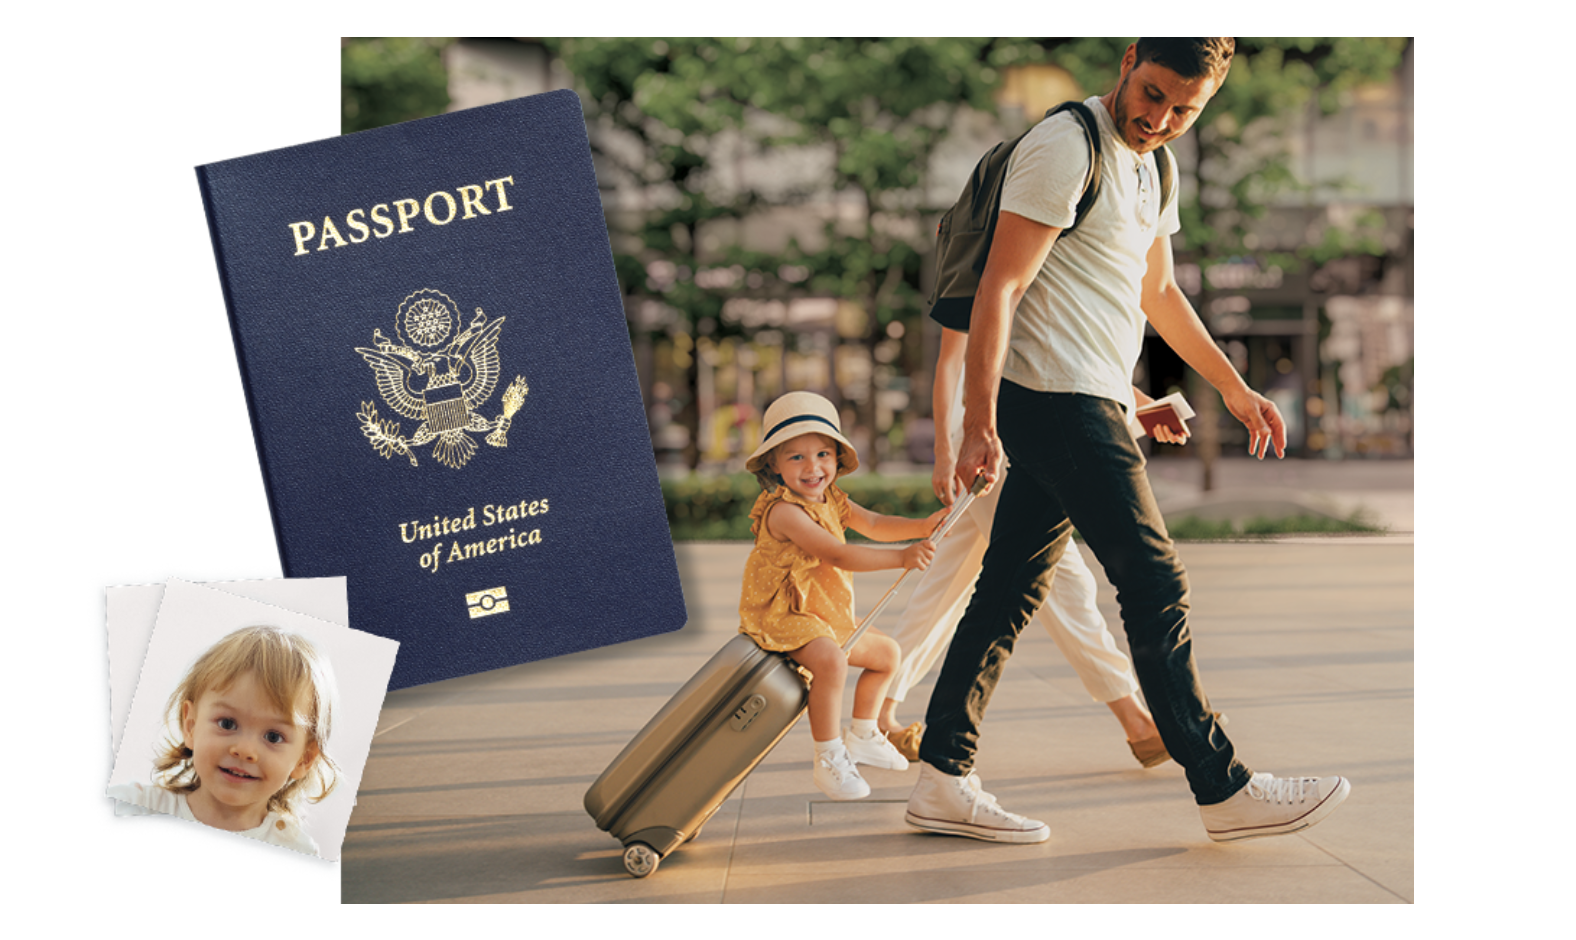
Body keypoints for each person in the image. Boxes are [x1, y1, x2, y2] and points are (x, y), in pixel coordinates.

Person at [905, 37, 1350, 845]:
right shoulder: (1064, 148)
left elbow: (1158, 291)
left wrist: (1233, 389)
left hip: (1088, 400)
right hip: (1057, 404)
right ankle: (1221, 785)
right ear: (1128, 60)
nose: (1160, 118)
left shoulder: (1154, 167)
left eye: (1185, 109)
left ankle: (941, 774)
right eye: (1151, 94)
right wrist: (978, 422)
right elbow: (1001, 290)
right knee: (1154, 582)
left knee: (1007, 591)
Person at [879, 326, 1183, 768]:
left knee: (948, 581)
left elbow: (1060, 354)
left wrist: (1143, 406)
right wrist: (945, 451)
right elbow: (951, 360)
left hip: (1025, 418)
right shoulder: (980, 258)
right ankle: (1137, 722)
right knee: (1061, 578)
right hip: (983, 430)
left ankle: (875, 712)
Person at [740, 391, 944, 800]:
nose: (812, 467)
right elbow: (837, 554)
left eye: (822, 454)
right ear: (774, 466)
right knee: (831, 661)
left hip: (822, 615)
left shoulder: (832, 499)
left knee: (887, 655)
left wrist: (921, 526)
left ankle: (865, 732)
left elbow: (875, 523)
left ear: (836, 458)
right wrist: (901, 558)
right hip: (785, 614)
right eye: (795, 457)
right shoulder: (785, 511)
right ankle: (827, 755)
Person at [109, 625, 339, 855]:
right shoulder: (133, 807)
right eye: (227, 724)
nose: (245, 750)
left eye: (273, 737)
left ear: (304, 760)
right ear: (191, 726)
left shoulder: (296, 852)